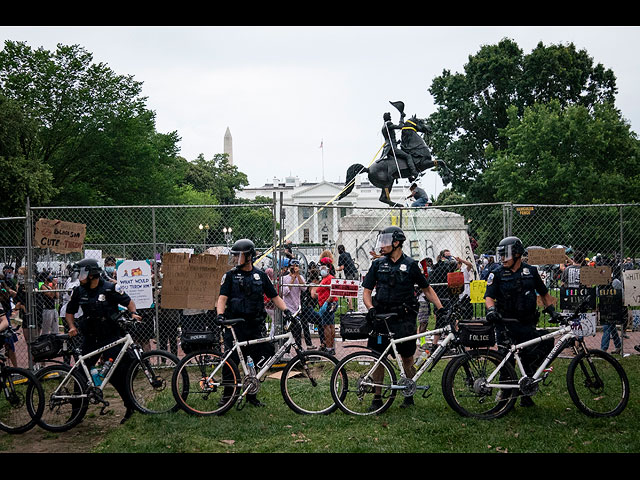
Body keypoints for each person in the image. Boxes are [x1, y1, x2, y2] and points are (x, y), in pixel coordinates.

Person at [362, 226, 445, 409]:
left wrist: (440, 308)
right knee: (378, 357)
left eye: (385, 242)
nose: (381, 246)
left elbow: (427, 289)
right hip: (381, 317)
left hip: (404, 319)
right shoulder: (377, 264)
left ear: (396, 243)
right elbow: (367, 291)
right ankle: (377, 398)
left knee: (407, 358)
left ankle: (409, 392)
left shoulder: (411, 265)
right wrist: (370, 308)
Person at [64, 258, 143, 424]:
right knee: (80, 373)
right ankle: (77, 413)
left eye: (83, 273)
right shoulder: (79, 291)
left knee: (117, 373)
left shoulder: (110, 288)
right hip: (91, 337)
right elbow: (70, 311)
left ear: (92, 274)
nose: (80, 277)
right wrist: (71, 326)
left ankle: (130, 407)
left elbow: (129, 302)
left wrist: (134, 313)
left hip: (111, 336)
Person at [216, 238, 293, 407]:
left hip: (255, 325)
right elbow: (222, 298)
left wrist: (287, 311)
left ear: (249, 257)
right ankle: (227, 396)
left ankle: (252, 394)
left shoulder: (261, 276)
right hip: (235, 327)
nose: (236, 259)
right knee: (230, 361)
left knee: (255, 361)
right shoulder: (229, 276)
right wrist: (220, 315)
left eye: (239, 255)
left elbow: (275, 296)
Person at [484, 236, 559, 407]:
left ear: (517, 254)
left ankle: (527, 389)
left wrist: (552, 311)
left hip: (527, 323)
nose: (502, 258)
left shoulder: (531, 272)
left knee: (538, 349)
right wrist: (491, 310)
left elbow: (544, 293)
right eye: (500, 255)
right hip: (505, 324)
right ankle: (505, 393)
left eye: (506, 255)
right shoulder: (496, 273)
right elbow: (489, 296)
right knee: (506, 360)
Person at [281, 259, 313, 349]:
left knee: (298, 331)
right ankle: (286, 351)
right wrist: (292, 279)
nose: (294, 268)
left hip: (297, 308)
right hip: (287, 307)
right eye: (292, 266)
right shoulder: (285, 278)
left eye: (296, 266)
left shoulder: (300, 278)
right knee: (287, 332)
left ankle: (299, 348)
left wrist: (297, 275)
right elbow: (285, 292)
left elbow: (304, 288)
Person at [311, 258, 338, 354]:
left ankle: (329, 348)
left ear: (328, 269)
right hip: (328, 303)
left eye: (323, 267)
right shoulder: (326, 279)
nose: (321, 270)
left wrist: (326, 302)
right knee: (330, 325)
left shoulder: (329, 278)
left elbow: (332, 293)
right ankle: (331, 347)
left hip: (329, 304)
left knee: (327, 326)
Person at [336, 244, 358, 311]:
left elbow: (342, 268)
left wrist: (336, 269)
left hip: (349, 274)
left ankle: (351, 308)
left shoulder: (341, 256)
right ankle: (359, 306)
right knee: (357, 289)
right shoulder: (348, 254)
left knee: (349, 290)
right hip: (355, 272)